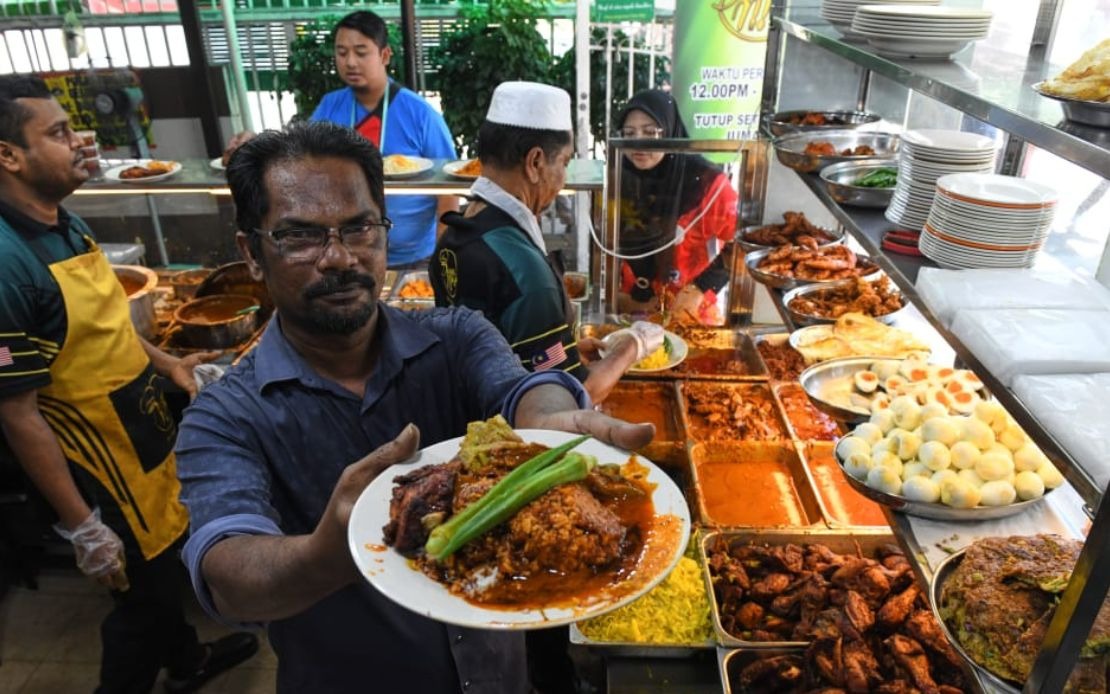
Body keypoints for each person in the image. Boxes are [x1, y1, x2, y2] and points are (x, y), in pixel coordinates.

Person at [176, 121, 655, 693]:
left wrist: (547, 425)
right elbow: (227, 574)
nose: (339, 257)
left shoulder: (457, 336)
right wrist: (329, 552)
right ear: (252, 254)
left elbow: (522, 391)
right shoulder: (223, 416)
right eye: (300, 236)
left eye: (360, 228)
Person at [0, 75, 258, 693]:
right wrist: (82, 525)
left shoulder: (60, 223)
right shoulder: (7, 263)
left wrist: (167, 364)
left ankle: (188, 660)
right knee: (142, 605)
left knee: (163, 573)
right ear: (9, 156)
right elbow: (17, 413)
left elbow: (103, 325)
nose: (78, 141)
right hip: (99, 468)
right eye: (58, 132)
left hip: (140, 432)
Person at [430, 81, 662, 404]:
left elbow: (497, 348)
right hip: (514, 428)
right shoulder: (525, 271)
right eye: (564, 162)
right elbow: (574, 396)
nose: (564, 178)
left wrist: (566, 350)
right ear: (536, 162)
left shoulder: (454, 235)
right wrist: (632, 346)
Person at [225, 10, 457, 269]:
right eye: (342, 52)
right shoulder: (330, 106)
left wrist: (442, 256)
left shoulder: (420, 114)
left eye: (361, 52)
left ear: (384, 55)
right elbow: (299, 155)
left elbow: (447, 189)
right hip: (347, 255)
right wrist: (257, 143)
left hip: (414, 259)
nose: (350, 62)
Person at [613, 89, 739, 322]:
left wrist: (699, 288)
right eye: (629, 133)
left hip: (690, 311)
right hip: (632, 306)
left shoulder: (709, 184)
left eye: (650, 132)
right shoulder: (619, 179)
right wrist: (620, 298)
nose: (638, 143)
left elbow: (739, 244)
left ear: (670, 130)